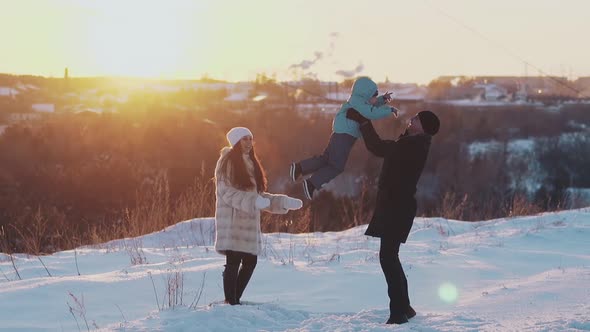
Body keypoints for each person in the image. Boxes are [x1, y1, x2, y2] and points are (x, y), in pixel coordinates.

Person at [346, 108, 440, 324]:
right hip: (398, 205)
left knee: (388, 258)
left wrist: (363, 122)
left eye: (417, 119)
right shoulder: (414, 143)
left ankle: (398, 313)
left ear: (423, 127)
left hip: (397, 206)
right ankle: (404, 307)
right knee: (391, 257)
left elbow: (378, 147)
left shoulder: (412, 145)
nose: (412, 118)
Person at [214, 127, 303, 305]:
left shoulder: (252, 162)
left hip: (249, 223)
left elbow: (260, 196)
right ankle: (231, 301)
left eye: (250, 139)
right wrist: (253, 201)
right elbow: (226, 193)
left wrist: (282, 202)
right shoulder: (226, 162)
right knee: (233, 260)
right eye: (244, 139)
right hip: (232, 221)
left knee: (250, 261)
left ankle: (234, 300)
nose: (248, 142)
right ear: (236, 142)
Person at [289, 77, 398, 200]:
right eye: (374, 96)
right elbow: (371, 112)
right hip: (345, 135)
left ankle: (299, 168)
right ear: (365, 95)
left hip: (342, 132)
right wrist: (389, 110)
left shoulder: (359, 101)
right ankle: (311, 183)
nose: (375, 98)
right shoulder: (359, 104)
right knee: (336, 166)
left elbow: (371, 105)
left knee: (327, 160)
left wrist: (382, 100)